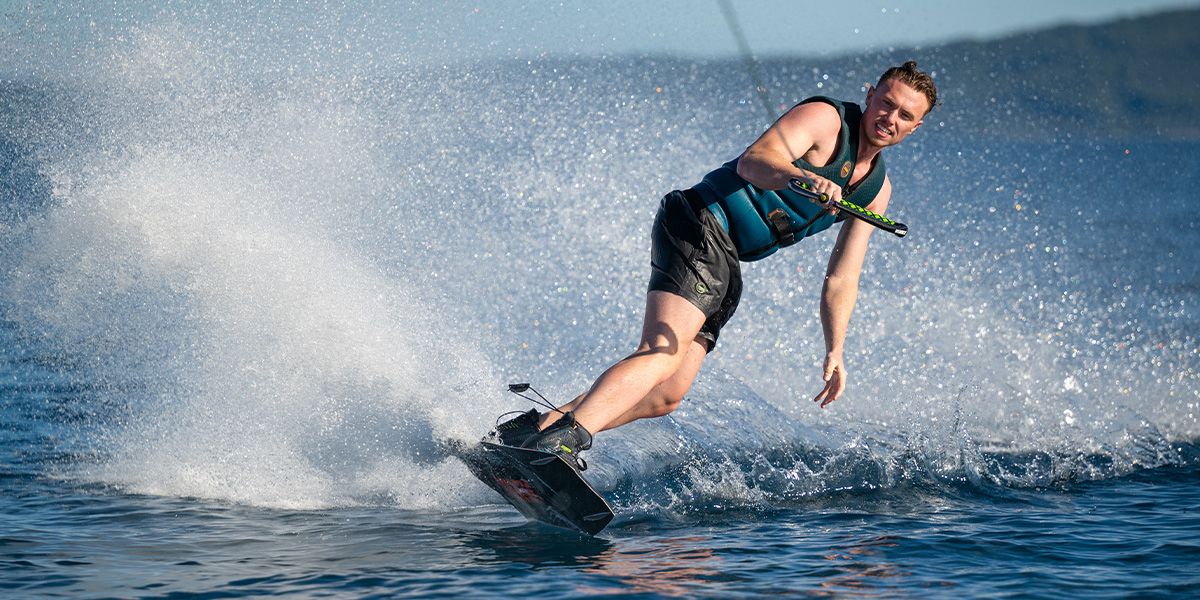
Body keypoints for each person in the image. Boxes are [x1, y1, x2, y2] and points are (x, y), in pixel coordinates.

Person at [491, 61, 939, 470]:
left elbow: (842, 277)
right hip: (700, 221)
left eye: (905, 115)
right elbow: (754, 161)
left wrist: (835, 350)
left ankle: (535, 431)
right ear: (870, 96)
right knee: (662, 352)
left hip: (725, 262)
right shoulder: (825, 120)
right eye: (886, 103)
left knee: (666, 395)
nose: (890, 118)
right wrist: (802, 177)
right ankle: (562, 444)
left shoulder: (876, 192)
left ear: (916, 128)